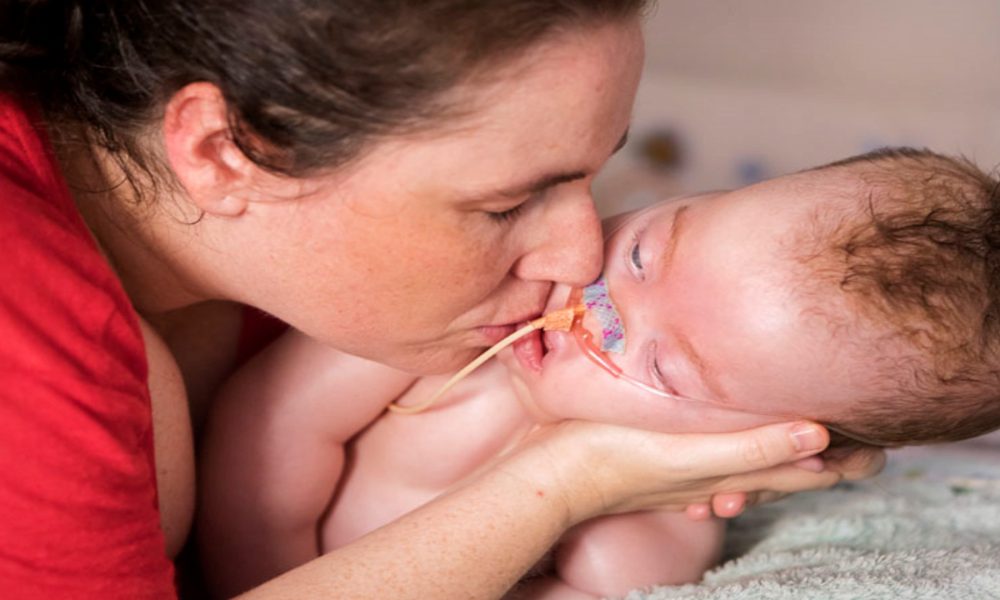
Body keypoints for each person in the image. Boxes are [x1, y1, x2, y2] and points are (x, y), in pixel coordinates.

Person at [0, 2, 883, 598]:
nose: (581, 258)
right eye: (507, 205)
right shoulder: (29, 341)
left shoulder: (310, 268)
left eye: (593, 174)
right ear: (228, 153)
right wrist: (568, 482)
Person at [198, 147, 1000, 599]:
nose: (605, 308)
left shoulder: (640, 534)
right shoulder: (451, 322)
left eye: (662, 363)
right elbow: (268, 425)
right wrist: (260, 571)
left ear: (764, 444)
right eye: (645, 251)